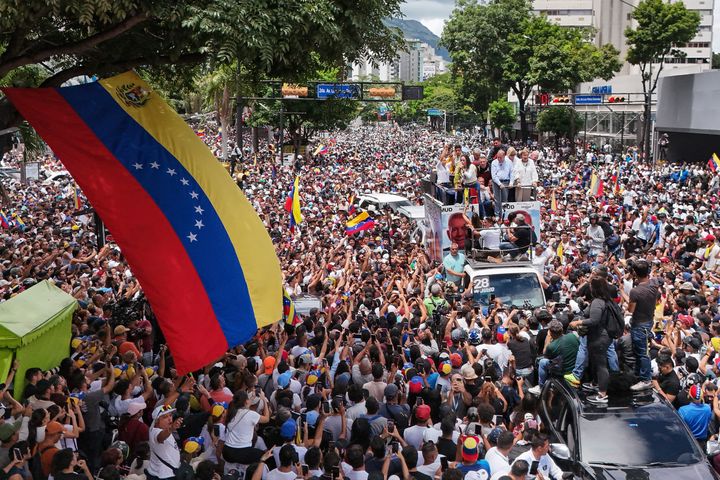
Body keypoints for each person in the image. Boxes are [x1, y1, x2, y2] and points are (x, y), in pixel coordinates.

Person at [569, 278, 614, 404]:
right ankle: (596, 384)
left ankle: (602, 395)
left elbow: (594, 320)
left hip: (600, 337)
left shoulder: (598, 302)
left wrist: (578, 322)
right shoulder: (602, 300)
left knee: (601, 365)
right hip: (598, 337)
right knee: (596, 362)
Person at [624, 260, 659, 391]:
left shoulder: (635, 291)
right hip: (648, 320)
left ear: (634, 273)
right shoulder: (654, 283)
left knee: (642, 352)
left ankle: (646, 380)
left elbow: (630, 309)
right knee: (641, 351)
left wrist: (623, 292)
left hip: (640, 324)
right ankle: (640, 374)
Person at [147, 406, 182, 480]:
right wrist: (171, 428)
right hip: (163, 476)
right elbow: (160, 437)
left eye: (170, 415)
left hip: (169, 473)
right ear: (157, 421)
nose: (170, 419)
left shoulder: (165, 428)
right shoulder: (155, 431)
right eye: (165, 417)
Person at [491, 150, 512, 218]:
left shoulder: (509, 162)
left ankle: (505, 215)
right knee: (497, 200)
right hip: (496, 182)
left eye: (500, 157)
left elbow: (512, 173)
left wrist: (511, 182)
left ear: (504, 156)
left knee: (505, 199)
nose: (499, 159)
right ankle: (497, 216)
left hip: (506, 182)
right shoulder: (494, 162)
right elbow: (493, 175)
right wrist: (499, 183)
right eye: (498, 157)